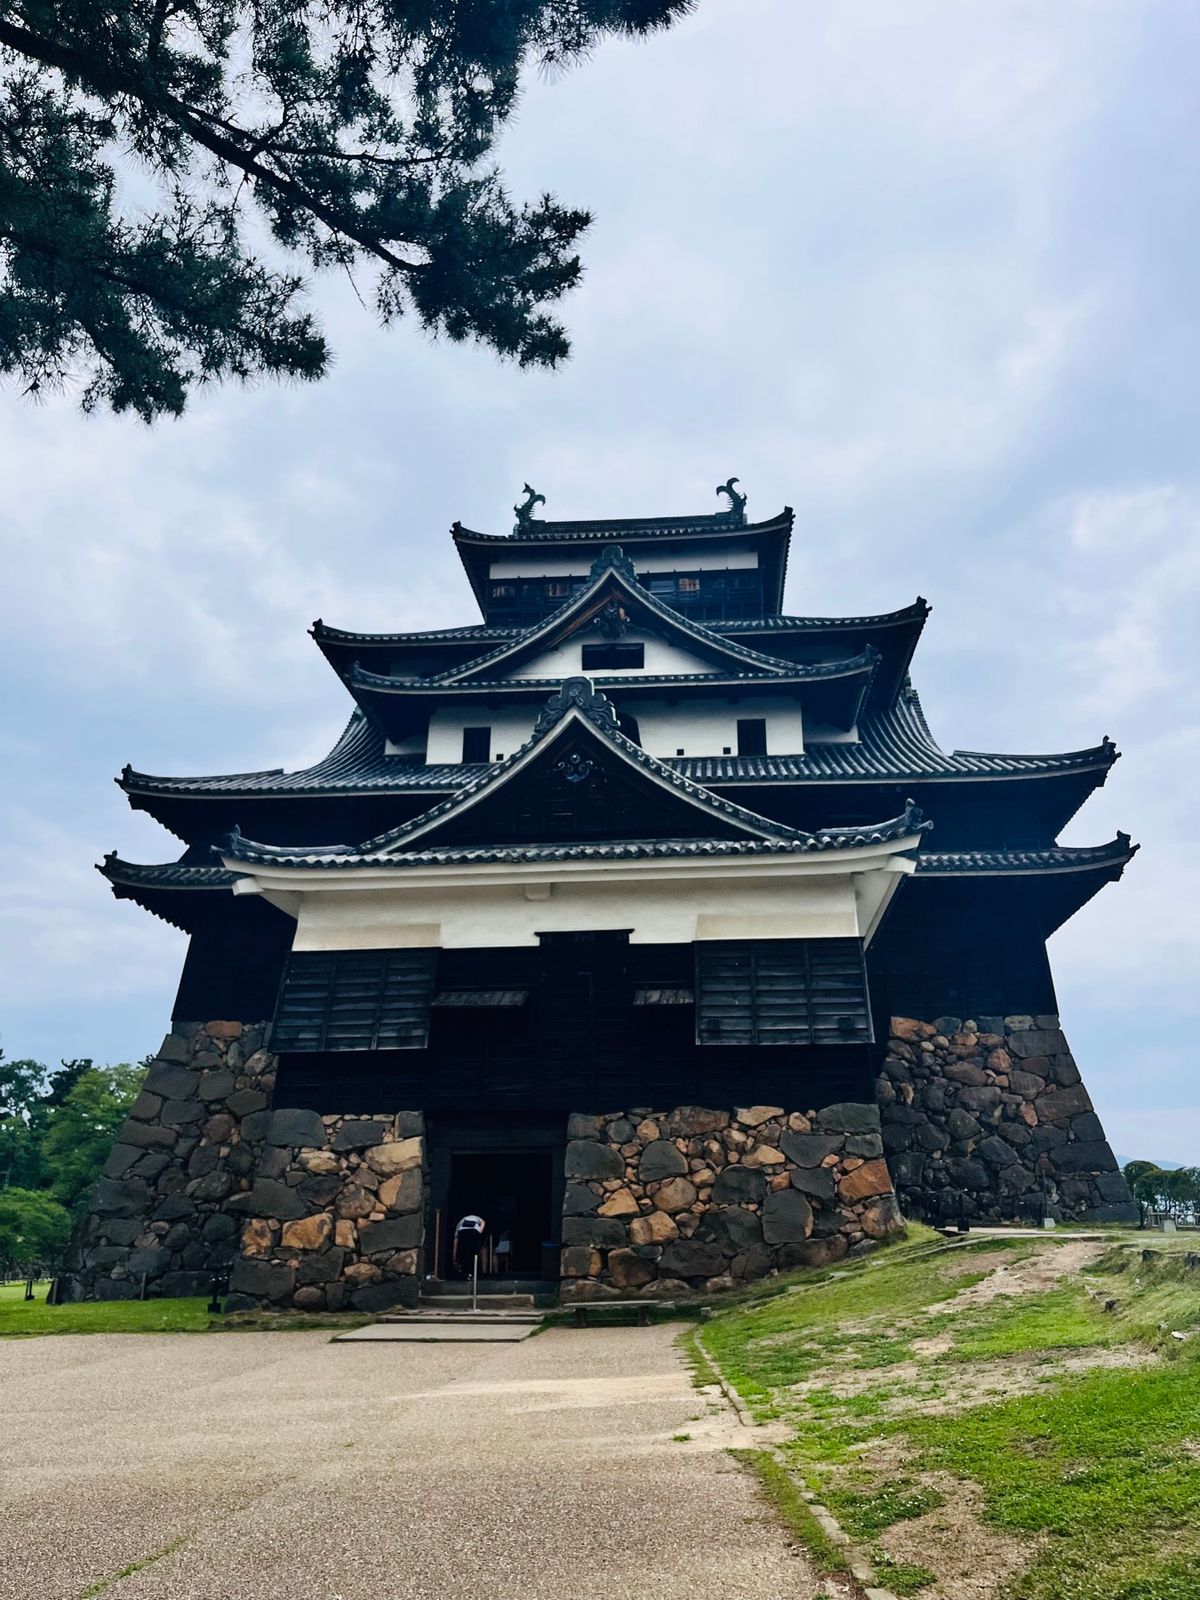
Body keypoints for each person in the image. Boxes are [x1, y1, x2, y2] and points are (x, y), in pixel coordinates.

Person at [452, 1212, 486, 1278]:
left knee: (463, 1251)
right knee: (472, 1252)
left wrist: (454, 1258)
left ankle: (464, 1270)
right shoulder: (477, 1218)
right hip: (473, 1231)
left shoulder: (462, 1220)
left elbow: (456, 1241)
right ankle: (472, 1271)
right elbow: (483, 1222)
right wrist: (479, 1232)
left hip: (462, 1232)